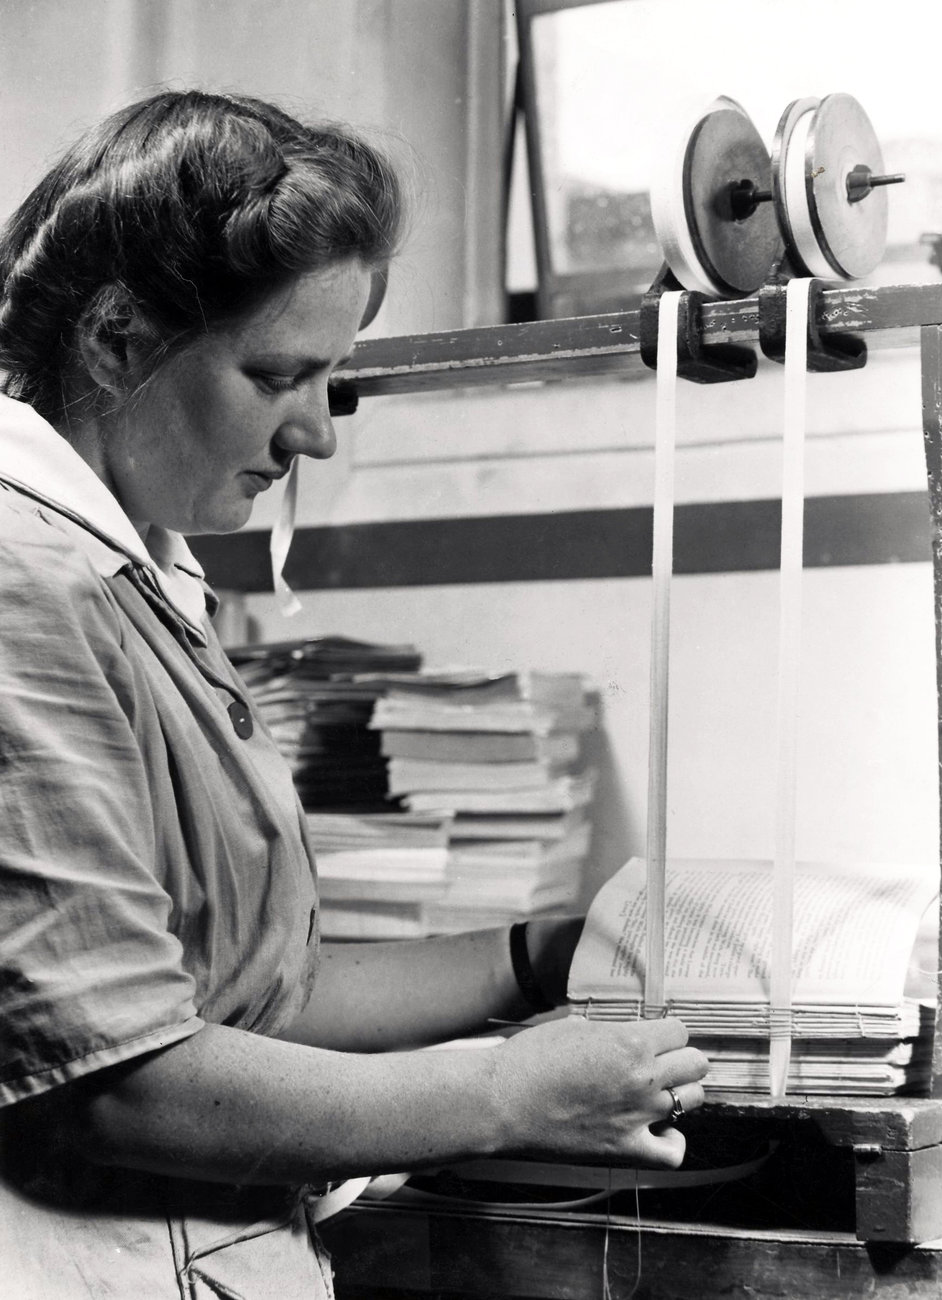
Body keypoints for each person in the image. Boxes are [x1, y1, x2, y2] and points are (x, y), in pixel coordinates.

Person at [0, 89, 708, 1298]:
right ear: (118, 341)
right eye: (281, 376)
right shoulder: (24, 582)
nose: (315, 436)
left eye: (331, 381)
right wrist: (506, 1092)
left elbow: (259, 994)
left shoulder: (141, 571)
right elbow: (122, 1080)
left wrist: (540, 955)